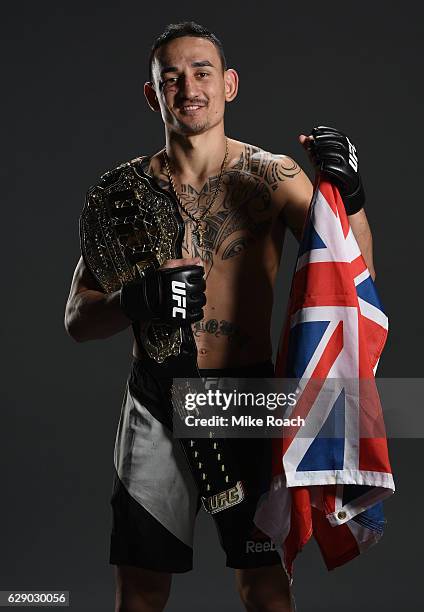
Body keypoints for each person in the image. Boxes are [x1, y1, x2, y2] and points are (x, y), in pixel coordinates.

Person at [64, 21, 375, 612]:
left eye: (202, 73)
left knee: (265, 588)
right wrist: (137, 301)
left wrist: (351, 199)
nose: (189, 88)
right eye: (172, 78)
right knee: (140, 592)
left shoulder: (272, 176)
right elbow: (78, 318)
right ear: (153, 94)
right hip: (157, 399)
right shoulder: (117, 194)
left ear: (229, 84)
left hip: (248, 395)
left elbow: (352, 271)